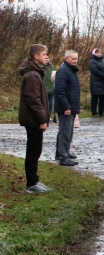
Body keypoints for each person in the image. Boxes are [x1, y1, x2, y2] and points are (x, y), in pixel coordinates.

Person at [19, 44, 51, 193]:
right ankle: (31, 184)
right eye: (44, 54)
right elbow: (33, 99)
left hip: (34, 119)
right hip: (33, 120)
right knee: (33, 151)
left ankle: (34, 180)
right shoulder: (32, 75)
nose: (47, 57)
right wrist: (42, 120)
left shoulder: (35, 73)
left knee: (35, 150)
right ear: (36, 56)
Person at [53, 50, 81, 167]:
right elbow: (60, 91)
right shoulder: (63, 71)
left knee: (68, 132)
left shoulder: (71, 71)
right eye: (72, 59)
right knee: (65, 132)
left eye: (76, 59)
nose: (75, 61)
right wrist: (66, 107)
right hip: (66, 108)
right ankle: (63, 157)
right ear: (66, 58)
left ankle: (63, 153)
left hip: (71, 106)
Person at [88, 48, 104, 117]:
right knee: (95, 97)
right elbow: (95, 71)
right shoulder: (92, 61)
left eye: (99, 53)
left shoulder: (103, 60)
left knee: (102, 97)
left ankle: (101, 112)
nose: (99, 54)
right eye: (97, 53)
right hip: (95, 81)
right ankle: (94, 112)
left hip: (103, 82)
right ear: (94, 53)